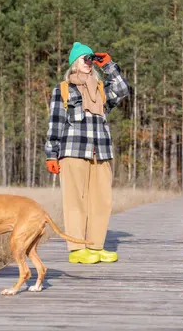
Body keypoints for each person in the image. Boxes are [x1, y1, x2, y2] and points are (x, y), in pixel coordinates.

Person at [45, 42, 130, 264]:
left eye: (91, 59)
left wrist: (110, 65)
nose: (89, 63)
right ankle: (76, 249)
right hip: (73, 151)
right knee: (75, 201)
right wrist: (51, 154)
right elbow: (55, 124)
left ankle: (95, 246)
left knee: (102, 201)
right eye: (85, 59)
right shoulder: (63, 89)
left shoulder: (100, 89)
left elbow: (122, 90)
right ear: (75, 62)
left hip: (99, 151)